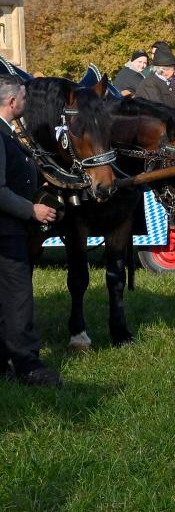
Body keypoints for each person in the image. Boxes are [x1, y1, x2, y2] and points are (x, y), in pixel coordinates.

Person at [0, 75, 60, 387]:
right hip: (6, 233)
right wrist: (32, 210)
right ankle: (28, 366)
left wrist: (37, 185)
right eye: (24, 97)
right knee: (17, 298)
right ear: (12, 102)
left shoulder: (6, 133)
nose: (26, 102)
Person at [133, 45, 175, 110]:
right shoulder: (150, 83)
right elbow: (159, 109)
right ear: (163, 70)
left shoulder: (166, 81)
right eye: (174, 69)